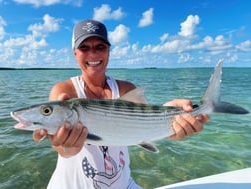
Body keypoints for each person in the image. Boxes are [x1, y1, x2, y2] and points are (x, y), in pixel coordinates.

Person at [33, 19, 209, 189]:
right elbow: (61, 149)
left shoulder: (126, 88)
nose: (93, 54)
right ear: (75, 53)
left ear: (109, 50)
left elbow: (146, 124)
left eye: (100, 46)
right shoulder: (64, 91)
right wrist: (65, 147)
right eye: (84, 47)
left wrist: (173, 123)